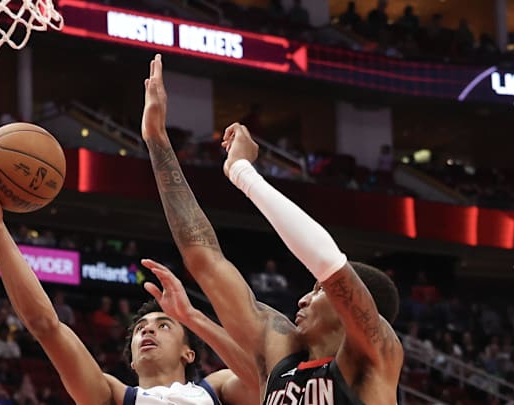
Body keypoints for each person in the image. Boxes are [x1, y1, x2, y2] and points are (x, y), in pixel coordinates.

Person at [140, 54, 402, 404]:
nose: (304, 298)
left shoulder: (375, 356)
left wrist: (242, 173)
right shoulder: (281, 352)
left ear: (353, 307)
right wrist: (157, 140)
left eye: (319, 291)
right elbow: (205, 260)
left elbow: (328, 261)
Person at [0, 149, 258, 404]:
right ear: (131, 360)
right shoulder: (113, 396)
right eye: (140, 328)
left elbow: (265, 382)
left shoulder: (215, 390)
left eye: (164, 325)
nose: (147, 330)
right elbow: (45, 325)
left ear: (189, 353)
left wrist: (192, 317)